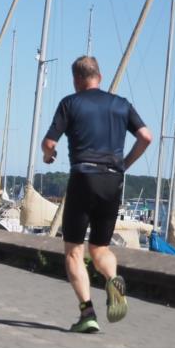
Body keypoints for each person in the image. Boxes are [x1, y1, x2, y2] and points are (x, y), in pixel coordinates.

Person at [41, 56, 152, 333]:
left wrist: (48, 155)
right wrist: (124, 164)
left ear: (76, 79)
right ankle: (113, 279)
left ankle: (87, 313)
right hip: (112, 181)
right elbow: (146, 137)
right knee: (100, 249)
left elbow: (49, 142)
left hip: (83, 178)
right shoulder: (121, 104)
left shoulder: (70, 103)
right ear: (99, 77)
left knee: (73, 252)